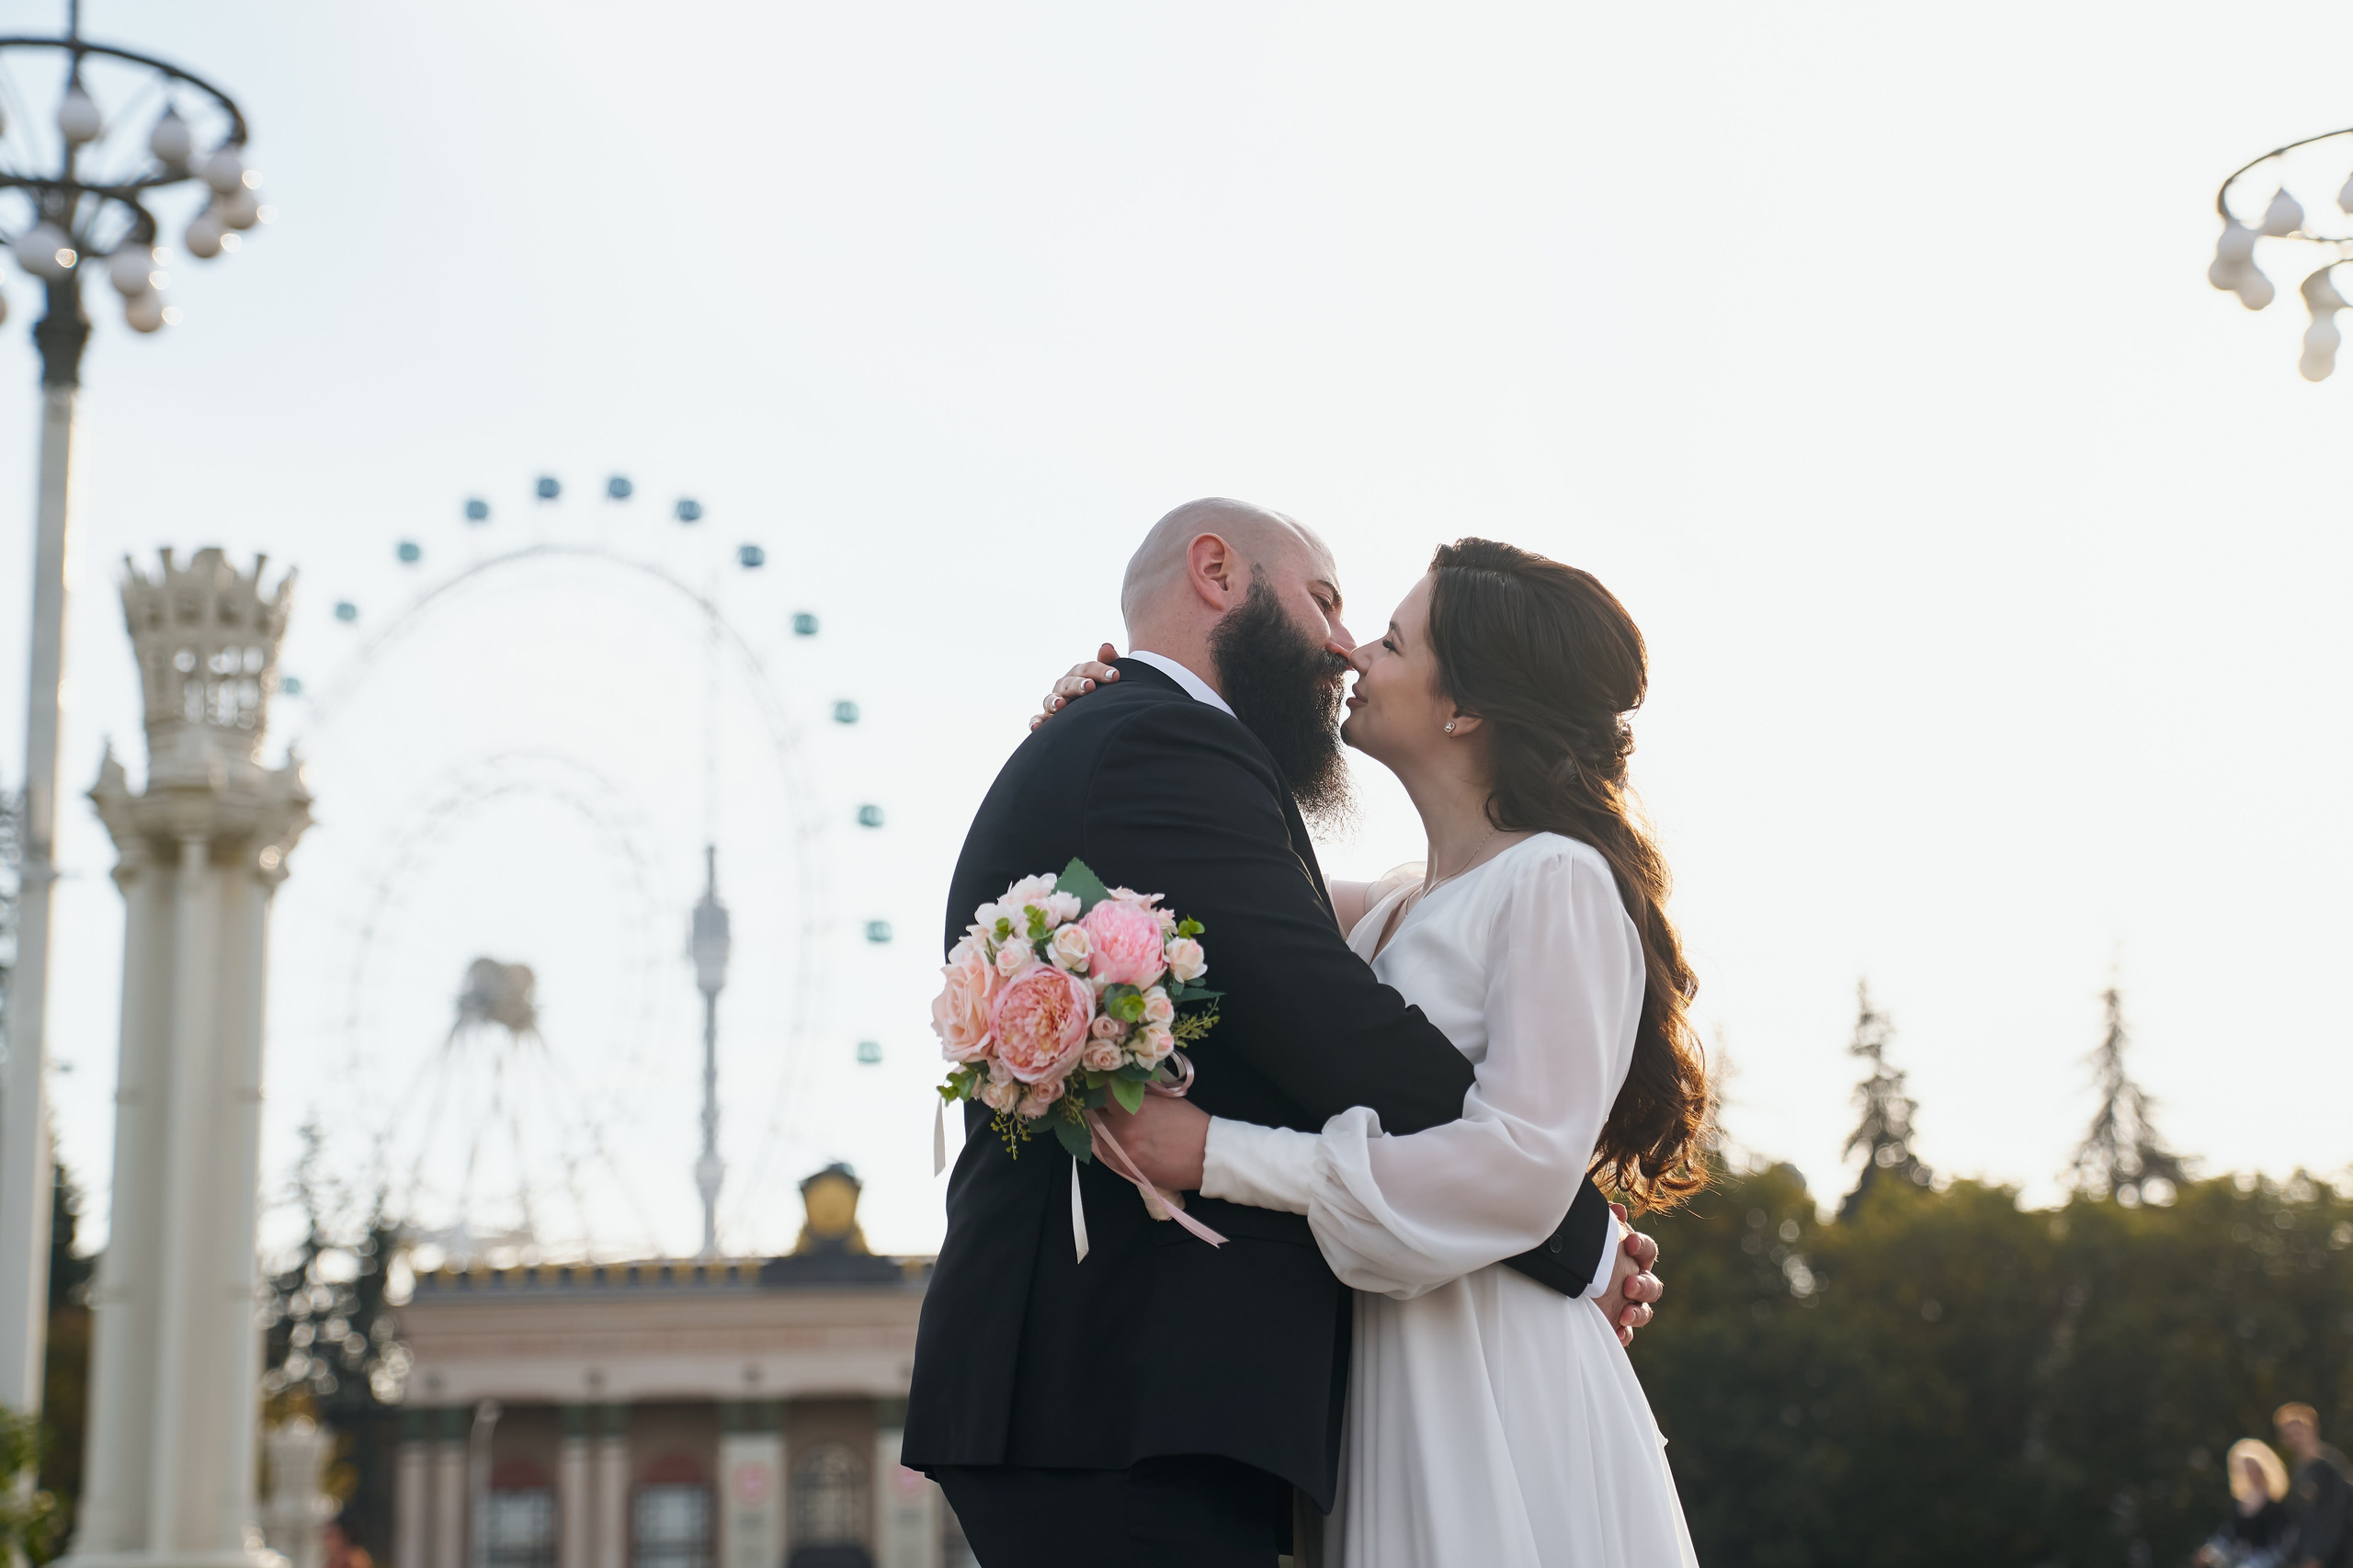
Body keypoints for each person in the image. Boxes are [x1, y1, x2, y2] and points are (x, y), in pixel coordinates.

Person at [902, 500, 1665, 1568]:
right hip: (1120, 1394)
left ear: (1469, 709)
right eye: (1330, 604)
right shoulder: (1156, 740)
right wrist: (1574, 1233)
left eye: (1387, 637)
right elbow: (1335, 1022)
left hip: (1439, 1371)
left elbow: (1328, 978)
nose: (1347, 647)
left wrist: (1544, 1198)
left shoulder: (1524, 881)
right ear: (1216, 571)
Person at [2277, 1404, 2352, 1568]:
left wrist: (2317, 1557)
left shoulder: (2331, 1467)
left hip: (2332, 1560)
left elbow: (2336, 1517)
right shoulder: (2298, 1471)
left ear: (2312, 1429)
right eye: (2288, 1435)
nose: (2294, 1439)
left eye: (2298, 1433)